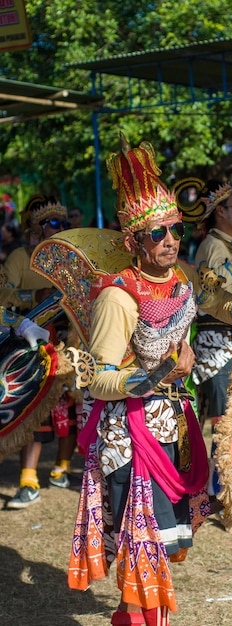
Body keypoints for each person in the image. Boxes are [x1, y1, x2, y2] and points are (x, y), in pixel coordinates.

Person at [66, 137, 232, 626]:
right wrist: (160, 371)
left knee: (162, 534)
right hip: (128, 434)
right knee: (144, 536)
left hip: (171, 426)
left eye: (174, 230)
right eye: (157, 232)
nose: (169, 240)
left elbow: (214, 297)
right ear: (132, 242)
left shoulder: (181, 276)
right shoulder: (117, 298)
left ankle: (142, 614)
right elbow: (98, 379)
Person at [0, 194, 78, 509]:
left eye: (65, 223)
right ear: (37, 229)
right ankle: (28, 480)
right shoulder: (21, 256)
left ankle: (61, 468)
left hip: (70, 339)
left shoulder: (74, 259)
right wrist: (36, 295)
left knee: (70, 409)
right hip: (34, 342)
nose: (61, 228)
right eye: (54, 224)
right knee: (32, 408)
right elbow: (3, 293)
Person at [187, 179, 232, 495]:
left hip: (230, 343)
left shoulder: (222, 246)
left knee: (230, 420)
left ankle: (221, 488)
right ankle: (220, 491)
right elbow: (213, 293)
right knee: (223, 423)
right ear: (220, 212)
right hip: (216, 347)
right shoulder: (213, 246)